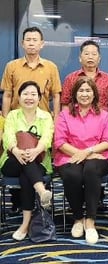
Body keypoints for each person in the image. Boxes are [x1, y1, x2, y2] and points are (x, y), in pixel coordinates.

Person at [1, 26, 61, 213]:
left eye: (35, 40)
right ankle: (21, 201)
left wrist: (56, 120)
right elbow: (8, 94)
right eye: (28, 39)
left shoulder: (51, 67)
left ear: (42, 44)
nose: (32, 43)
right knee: (21, 156)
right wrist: (5, 119)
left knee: (38, 156)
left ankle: (42, 201)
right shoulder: (12, 66)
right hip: (17, 121)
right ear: (22, 43)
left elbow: (56, 96)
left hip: (42, 123)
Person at [54, 77, 108, 244]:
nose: (85, 94)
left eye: (88, 91)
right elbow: (60, 142)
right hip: (69, 156)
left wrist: (87, 152)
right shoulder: (65, 115)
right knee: (72, 174)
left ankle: (90, 221)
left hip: (97, 157)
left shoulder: (103, 115)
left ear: (94, 94)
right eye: (81, 91)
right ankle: (78, 218)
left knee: (90, 170)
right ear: (75, 94)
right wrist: (81, 154)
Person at [0, 81, 54, 241]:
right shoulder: (12, 115)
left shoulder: (46, 116)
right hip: (12, 161)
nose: (29, 97)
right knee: (26, 163)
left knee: (26, 175)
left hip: (40, 159)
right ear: (19, 96)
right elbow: (8, 136)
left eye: (33, 94)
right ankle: (42, 191)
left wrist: (36, 150)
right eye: (25, 94)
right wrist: (16, 151)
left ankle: (25, 224)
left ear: (39, 98)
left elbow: (47, 138)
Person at [61, 40, 108, 128]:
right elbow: (65, 104)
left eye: (94, 54)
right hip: (76, 126)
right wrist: (66, 124)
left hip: (102, 125)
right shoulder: (70, 78)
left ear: (99, 58)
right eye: (86, 54)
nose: (90, 57)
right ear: (80, 58)